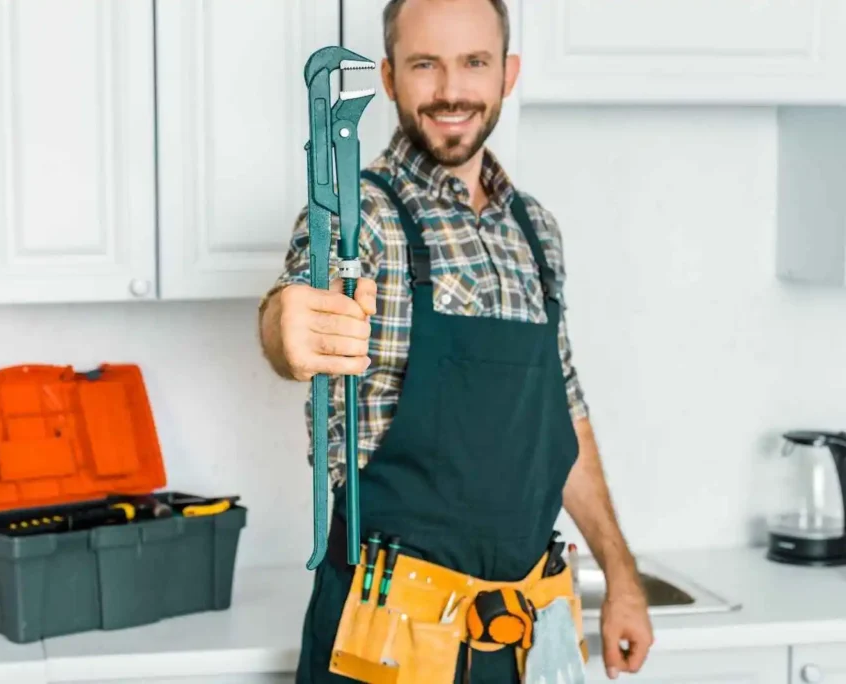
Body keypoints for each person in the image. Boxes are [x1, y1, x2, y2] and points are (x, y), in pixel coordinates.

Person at [257, 0, 654, 681]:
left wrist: (622, 575)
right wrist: (285, 329)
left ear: (508, 74)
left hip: (518, 634)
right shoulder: (356, 221)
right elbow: (296, 319)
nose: (450, 91)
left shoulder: (535, 231)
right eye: (424, 65)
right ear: (388, 77)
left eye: (474, 63)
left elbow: (565, 411)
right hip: (385, 639)